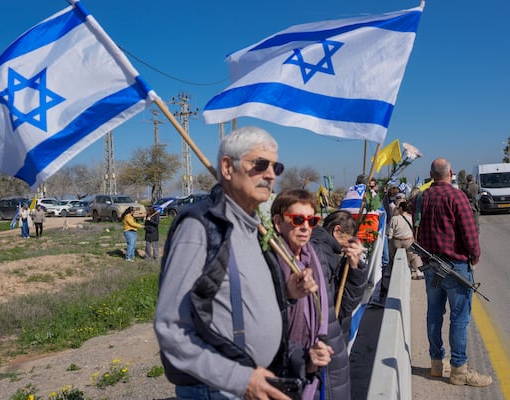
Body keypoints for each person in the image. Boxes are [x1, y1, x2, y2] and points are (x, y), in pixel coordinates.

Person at [154, 126, 319, 400]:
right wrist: (240, 379)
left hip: (253, 382)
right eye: (260, 165)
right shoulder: (202, 226)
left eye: (276, 168)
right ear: (228, 168)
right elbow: (171, 328)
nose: (270, 174)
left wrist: (288, 292)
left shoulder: (252, 227)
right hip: (218, 389)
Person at [415, 158, 491, 387]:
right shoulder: (457, 196)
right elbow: (470, 234)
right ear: (451, 173)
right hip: (456, 268)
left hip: (431, 266)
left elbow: (416, 230)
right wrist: (474, 257)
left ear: (431, 174)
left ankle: (437, 364)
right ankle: (459, 370)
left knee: (434, 314)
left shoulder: (421, 198)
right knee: (460, 318)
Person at [270, 189, 335, 400]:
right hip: (278, 374)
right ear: (278, 223)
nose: (306, 227)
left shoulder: (313, 258)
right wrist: (287, 293)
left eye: (312, 220)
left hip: (308, 369)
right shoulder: (268, 264)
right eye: (298, 219)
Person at [310, 210, 367, 343]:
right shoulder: (327, 256)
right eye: (349, 238)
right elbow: (345, 305)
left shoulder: (318, 247)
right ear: (337, 230)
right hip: (328, 338)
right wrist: (354, 268)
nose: (348, 244)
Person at [387, 201, 424, 280]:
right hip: (408, 240)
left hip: (397, 241)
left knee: (392, 256)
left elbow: (390, 232)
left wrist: (389, 239)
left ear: (400, 208)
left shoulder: (395, 218)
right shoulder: (411, 217)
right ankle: (418, 271)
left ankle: (391, 271)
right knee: (414, 256)